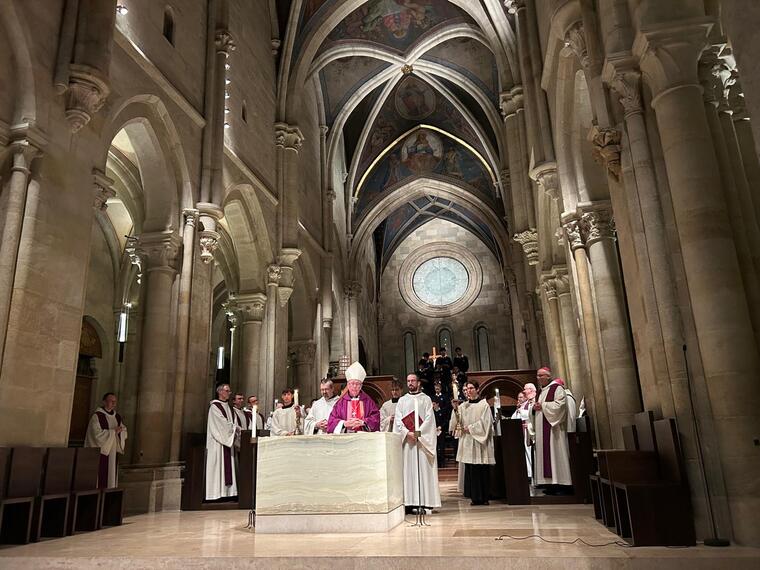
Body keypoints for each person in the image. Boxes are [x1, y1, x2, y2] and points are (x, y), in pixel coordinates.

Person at [393, 373, 441, 513]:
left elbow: (429, 420)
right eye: (408, 381)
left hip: (422, 444)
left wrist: (417, 434)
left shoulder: (425, 399)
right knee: (408, 471)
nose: (410, 383)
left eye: (413, 380)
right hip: (407, 443)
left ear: (418, 383)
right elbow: (398, 420)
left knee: (423, 470)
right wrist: (407, 433)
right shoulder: (402, 400)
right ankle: (409, 502)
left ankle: (425, 502)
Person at [451, 380, 494, 505]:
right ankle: (474, 497)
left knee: (481, 469)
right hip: (468, 442)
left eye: (471, 388)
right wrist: (455, 410)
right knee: (471, 470)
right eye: (467, 389)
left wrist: (470, 428)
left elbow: (486, 423)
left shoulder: (483, 405)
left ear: (477, 389)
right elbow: (456, 423)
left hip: (480, 442)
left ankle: (484, 497)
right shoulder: (463, 406)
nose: (468, 391)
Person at [532, 368, 572, 494]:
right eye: (537, 376)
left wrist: (542, 406)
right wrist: (533, 408)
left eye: (540, 376)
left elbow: (560, 406)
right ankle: (549, 484)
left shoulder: (557, 389)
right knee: (545, 457)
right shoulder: (540, 392)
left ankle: (561, 484)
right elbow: (534, 408)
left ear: (548, 376)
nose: (538, 378)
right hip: (542, 430)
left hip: (553, 431)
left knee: (556, 456)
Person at [85, 392, 127, 489]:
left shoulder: (117, 417)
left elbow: (123, 429)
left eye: (115, 401)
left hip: (112, 450)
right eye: (111, 401)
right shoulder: (97, 416)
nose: (113, 403)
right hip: (102, 452)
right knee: (101, 475)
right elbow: (96, 434)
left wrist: (121, 431)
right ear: (104, 402)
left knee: (111, 475)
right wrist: (113, 432)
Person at [205, 383, 240, 500]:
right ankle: (216, 494)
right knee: (218, 467)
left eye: (229, 391)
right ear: (220, 392)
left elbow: (232, 423)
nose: (229, 393)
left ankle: (228, 493)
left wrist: (235, 428)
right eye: (227, 391)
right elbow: (221, 425)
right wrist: (234, 428)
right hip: (218, 443)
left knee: (228, 465)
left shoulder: (229, 407)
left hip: (227, 442)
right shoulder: (215, 407)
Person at [327, 361, 381, 432]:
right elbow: (331, 421)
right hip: (346, 439)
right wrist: (344, 424)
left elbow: (376, 418)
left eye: (357, 384)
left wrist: (363, 422)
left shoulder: (368, 401)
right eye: (352, 383)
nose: (354, 386)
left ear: (361, 386)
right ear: (348, 385)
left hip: (363, 438)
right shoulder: (340, 403)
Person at [431, 381, 450, 467]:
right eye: (436, 387)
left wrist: (440, 426)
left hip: (441, 426)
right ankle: (436, 462)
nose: (437, 388)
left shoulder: (444, 397)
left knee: (441, 445)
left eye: (438, 387)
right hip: (433, 427)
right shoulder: (432, 397)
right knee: (435, 445)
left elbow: (446, 411)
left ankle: (442, 462)